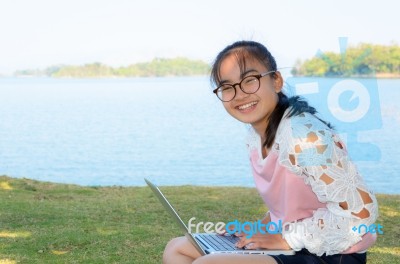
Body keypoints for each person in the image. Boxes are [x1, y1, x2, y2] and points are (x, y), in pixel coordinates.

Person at [163, 40, 378, 264]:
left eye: (250, 80)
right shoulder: (257, 138)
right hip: (292, 244)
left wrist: (287, 240)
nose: (239, 94)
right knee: (177, 248)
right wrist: (256, 229)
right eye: (227, 87)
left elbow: (360, 213)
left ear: (276, 81)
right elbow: (292, 208)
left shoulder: (305, 139)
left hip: (333, 254)